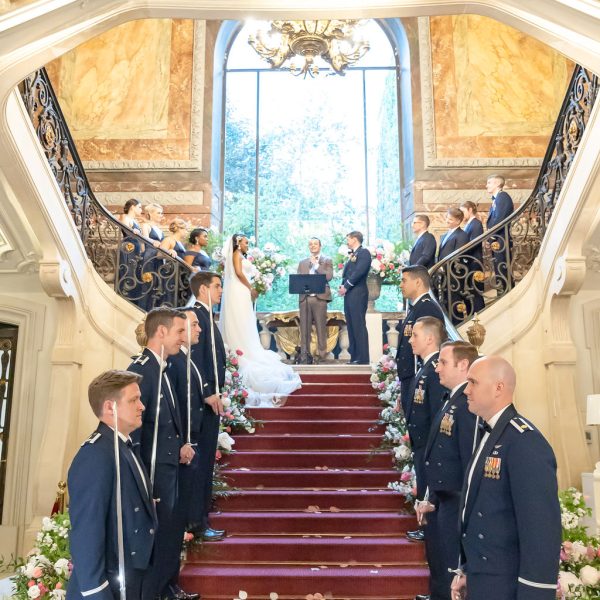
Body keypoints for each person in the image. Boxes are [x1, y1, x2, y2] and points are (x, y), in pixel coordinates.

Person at [451, 356, 561, 600]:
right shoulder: (491, 433)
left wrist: (535, 594)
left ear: (498, 388)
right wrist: (469, 571)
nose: (466, 390)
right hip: (485, 579)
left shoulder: (524, 442)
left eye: (473, 383)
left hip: (507, 586)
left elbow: (541, 530)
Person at [67, 370, 158, 600]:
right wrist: (97, 593)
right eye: (133, 400)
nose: (142, 406)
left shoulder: (122, 446)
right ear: (110, 407)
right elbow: (86, 533)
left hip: (132, 577)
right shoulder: (95, 455)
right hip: (110, 586)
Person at [127, 308, 198, 600]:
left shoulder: (162, 367)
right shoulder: (143, 369)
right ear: (161, 332)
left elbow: (166, 419)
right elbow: (137, 431)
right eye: (180, 332)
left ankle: (169, 588)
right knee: (160, 537)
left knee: (171, 534)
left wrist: (181, 443)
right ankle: (158, 592)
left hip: (170, 465)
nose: (184, 339)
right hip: (154, 471)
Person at [414, 341, 479, 600]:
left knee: (452, 565)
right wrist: (430, 496)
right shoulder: (450, 399)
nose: (437, 368)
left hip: (456, 498)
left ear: (463, 365)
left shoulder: (466, 404)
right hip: (442, 497)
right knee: (441, 562)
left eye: (442, 362)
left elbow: (469, 458)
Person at [219, 233, 302, 405]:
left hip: (242, 290)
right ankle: (241, 349)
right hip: (239, 289)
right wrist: (251, 288)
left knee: (246, 322)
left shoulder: (241, 255)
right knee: (240, 321)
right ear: (238, 243)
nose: (247, 245)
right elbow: (239, 273)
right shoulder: (236, 255)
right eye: (245, 242)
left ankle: (247, 347)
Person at [190, 271, 227, 542]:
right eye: (217, 286)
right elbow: (194, 358)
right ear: (203, 289)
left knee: (204, 467)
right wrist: (206, 391)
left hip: (211, 400)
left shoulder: (207, 316)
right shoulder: (195, 316)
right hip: (202, 403)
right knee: (199, 466)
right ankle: (197, 522)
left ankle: (201, 518)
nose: (221, 291)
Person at [404, 316, 448, 545]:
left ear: (430, 339)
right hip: (421, 443)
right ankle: (425, 527)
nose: (410, 340)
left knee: (430, 486)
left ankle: (429, 528)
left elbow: (436, 412)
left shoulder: (434, 370)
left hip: (429, 444)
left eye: (415, 336)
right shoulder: (425, 367)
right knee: (423, 483)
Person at [167, 308, 207, 543]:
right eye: (191, 325)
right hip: (185, 438)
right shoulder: (175, 360)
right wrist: (184, 439)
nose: (198, 329)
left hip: (194, 434)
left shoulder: (187, 358)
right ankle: (191, 527)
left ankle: (194, 524)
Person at [395, 266, 444, 415]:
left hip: (420, 379)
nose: (400, 285)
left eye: (404, 281)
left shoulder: (427, 308)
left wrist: (418, 383)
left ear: (417, 282)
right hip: (411, 379)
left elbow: (431, 349)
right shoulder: (416, 308)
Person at [296, 237, 333, 364]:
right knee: (304, 329)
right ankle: (305, 357)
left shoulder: (327, 260)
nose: (313, 246)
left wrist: (316, 265)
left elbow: (328, 277)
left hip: (320, 298)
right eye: (310, 244)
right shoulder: (302, 262)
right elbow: (298, 281)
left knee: (321, 328)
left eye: (315, 244)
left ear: (320, 246)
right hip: (305, 298)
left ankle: (322, 356)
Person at [337, 230, 372, 364]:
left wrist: (346, 286)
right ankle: (355, 356)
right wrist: (342, 287)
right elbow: (347, 273)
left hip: (358, 293)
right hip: (350, 294)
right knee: (351, 325)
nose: (347, 241)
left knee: (358, 325)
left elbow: (359, 272)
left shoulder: (364, 253)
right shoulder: (352, 254)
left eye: (348, 238)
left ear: (355, 239)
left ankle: (362, 358)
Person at [437, 207, 470, 324]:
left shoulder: (462, 235)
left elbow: (458, 257)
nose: (447, 221)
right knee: (445, 302)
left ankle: (457, 327)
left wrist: (443, 267)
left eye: (450, 219)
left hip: (454, 276)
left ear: (458, 221)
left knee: (454, 303)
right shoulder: (445, 235)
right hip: (444, 275)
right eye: (447, 218)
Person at [485, 175, 514, 294]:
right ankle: (502, 294)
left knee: (502, 270)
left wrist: (490, 237)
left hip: (501, 240)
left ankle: (506, 295)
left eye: (489, 182)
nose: (487, 185)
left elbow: (500, 219)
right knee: (499, 270)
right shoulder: (497, 199)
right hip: (498, 240)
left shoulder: (503, 197)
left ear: (497, 184)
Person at [117, 198, 144, 306]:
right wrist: (133, 231)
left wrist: (142, 251)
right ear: (132, 207)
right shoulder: (124, 216)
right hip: (128, 249)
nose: (141, 210)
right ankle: (125, 299)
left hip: (136, 249)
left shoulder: (136, 221)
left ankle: (133, 301)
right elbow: (126, 231)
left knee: (135, 273)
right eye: (140, 207)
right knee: (128, 272)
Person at [460, 201, 485, 314]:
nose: (461, 214)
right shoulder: (469, 224)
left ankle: (480, 316)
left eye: (463, 211)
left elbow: (473, 244)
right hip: (469, 263)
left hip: (474, 262)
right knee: (471, 292)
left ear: (470, 210)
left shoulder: (476, 224)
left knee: (476, 293)